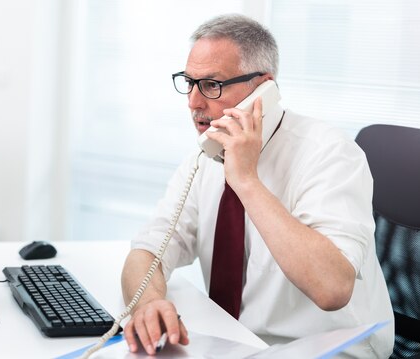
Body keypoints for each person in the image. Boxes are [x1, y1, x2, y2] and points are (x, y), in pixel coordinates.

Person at [121, 14, 394, 358]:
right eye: (188, 82)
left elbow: (332, 289)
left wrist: (246, 180)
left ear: (262, 88)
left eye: (211, 85)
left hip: (328, 350)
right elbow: (148, 249)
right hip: (235, 343)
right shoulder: (207, 155)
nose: (193, 102)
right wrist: (148, 304)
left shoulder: (329, 155)